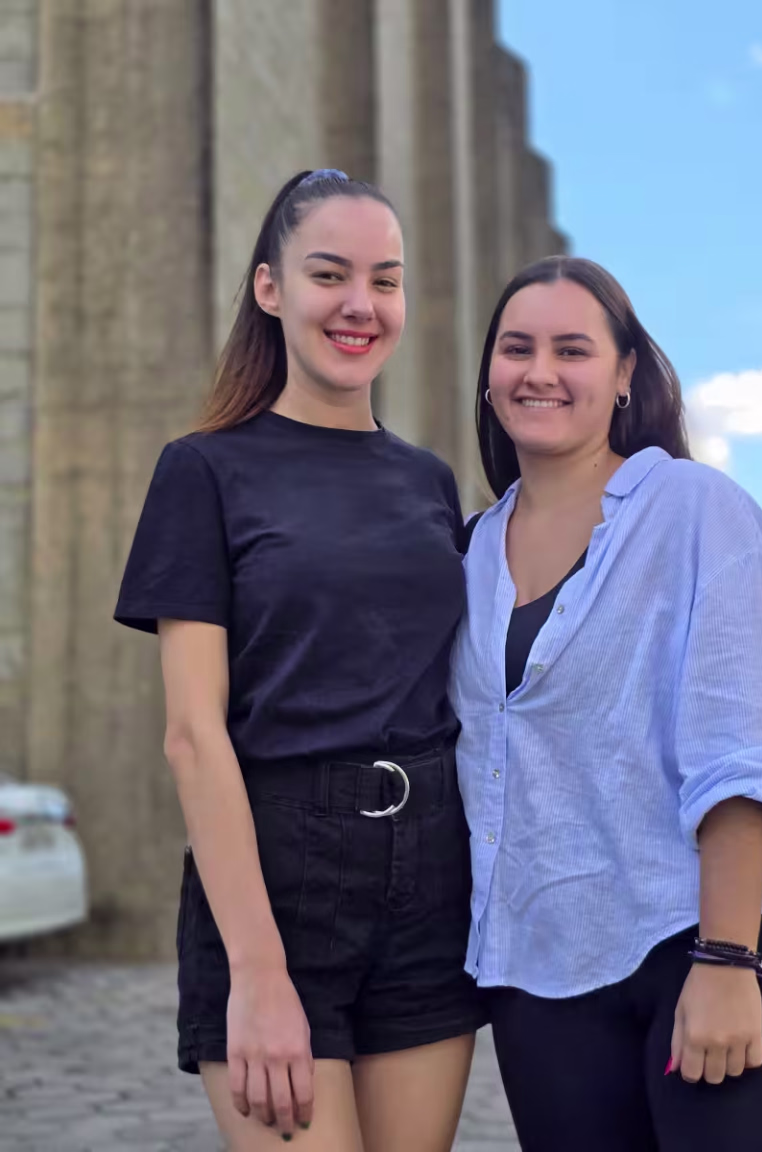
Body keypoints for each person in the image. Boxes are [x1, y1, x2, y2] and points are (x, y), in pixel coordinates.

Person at [114, 169, 485, 1151]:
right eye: (330, 275)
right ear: (270, 288)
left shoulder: (428, 481)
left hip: (430, 878)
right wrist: (258, 972)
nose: (361, 304)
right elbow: (194, 735)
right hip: (278, 878)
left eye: (385, 280)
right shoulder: (203, 470)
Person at [451, 255, 762, 1151]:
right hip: (541, 977)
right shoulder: (464, 554)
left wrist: (728, 958)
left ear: (624, 373)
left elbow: (738, 748)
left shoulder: (695, 510)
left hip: (701, 942)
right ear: (490, 374)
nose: (540, 372)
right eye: (517, 348)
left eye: (572, 349)